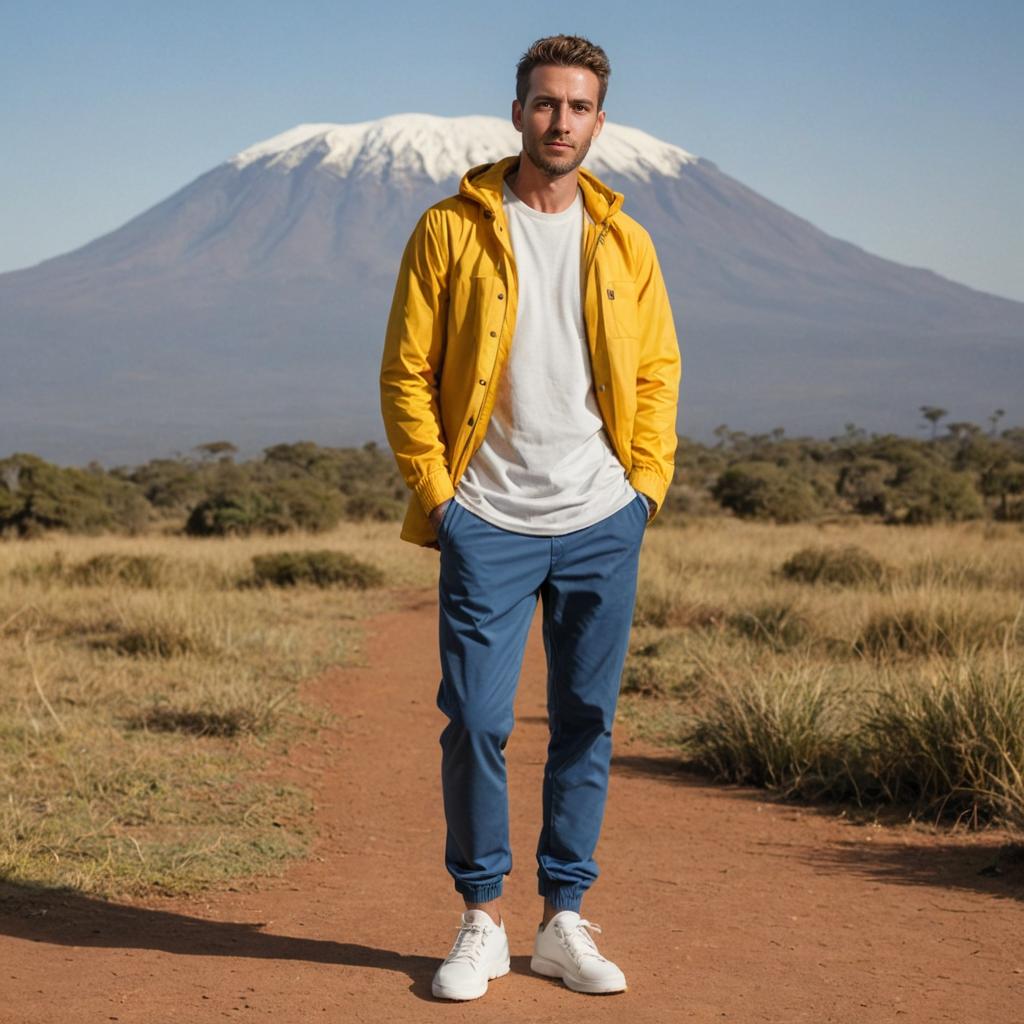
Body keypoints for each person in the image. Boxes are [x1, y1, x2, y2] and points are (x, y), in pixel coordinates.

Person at [379, 34, 680, 1001]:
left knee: (586, 719)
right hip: (487, 520)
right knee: (473, 716)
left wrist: (644, 490)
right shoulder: (449, 229)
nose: (562, 122)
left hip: (602, 515)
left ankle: (562, 919)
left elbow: (656, 371)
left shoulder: (625, 240)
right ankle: (479, 917)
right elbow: (406, 373)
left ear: (599, 119)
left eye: (579, 107)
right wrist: (441, 498)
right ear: (516, 114)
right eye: (546, 104)